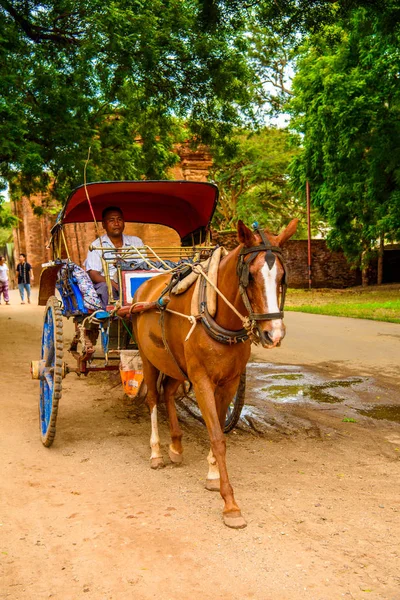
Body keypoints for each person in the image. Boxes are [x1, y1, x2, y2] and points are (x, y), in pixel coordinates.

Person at [84, 206, 144, 309]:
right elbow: (94, 274)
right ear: (104, 224)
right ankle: (113, 319)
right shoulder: (96, 245)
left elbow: (146, 265)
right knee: (106, 289)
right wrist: (110, 282)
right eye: (111, 220)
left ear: (124, 222)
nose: (116, 223)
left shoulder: (136, 242)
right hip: (109, 284)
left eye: (119, 219)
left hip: (133, 281)